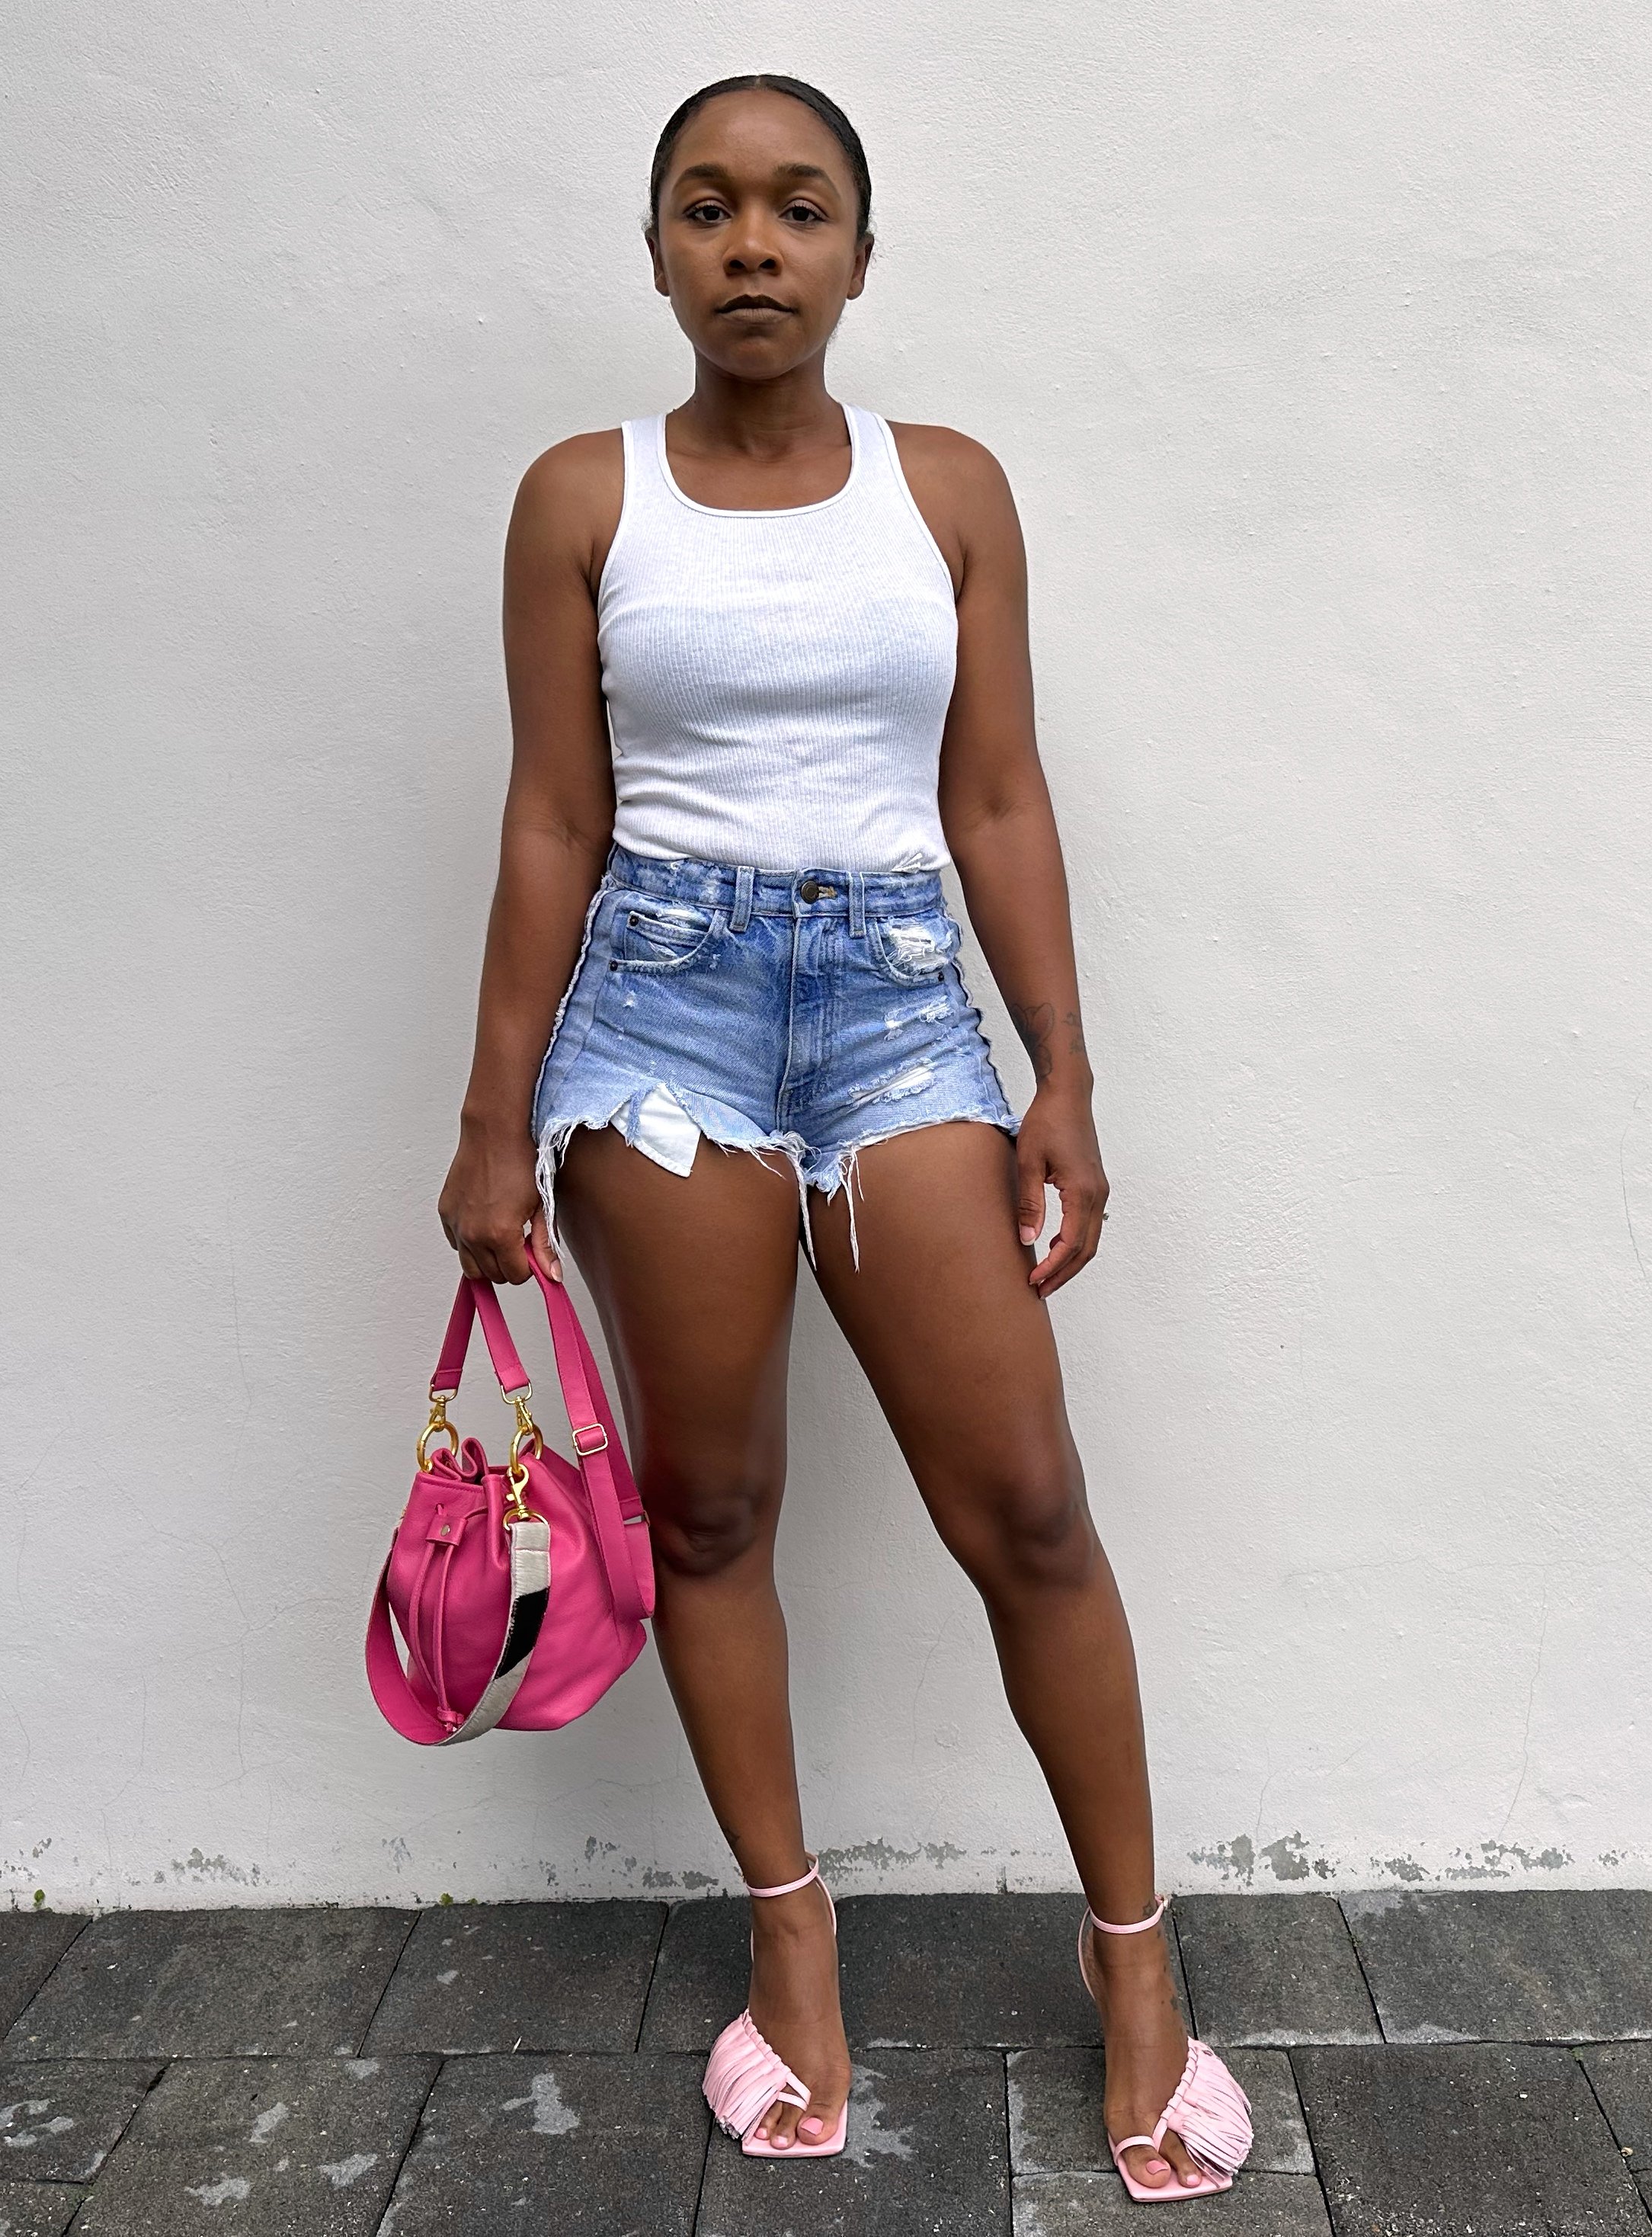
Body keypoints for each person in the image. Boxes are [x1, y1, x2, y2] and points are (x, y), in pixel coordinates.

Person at [438, 72, 1252, 2199]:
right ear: (654, 252)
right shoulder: (579, 497)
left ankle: (1135, 1967)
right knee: (709, 1515)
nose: (752, 248)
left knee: (1032, 1513)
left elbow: (993, 795)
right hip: (659, 1036)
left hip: (901, 1019)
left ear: (860, 256)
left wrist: (1055, 1067)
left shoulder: (948, 490)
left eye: (798, 211)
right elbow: (551, 814)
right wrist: (489, 1119)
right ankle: (791, 1950)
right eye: (704, 210)